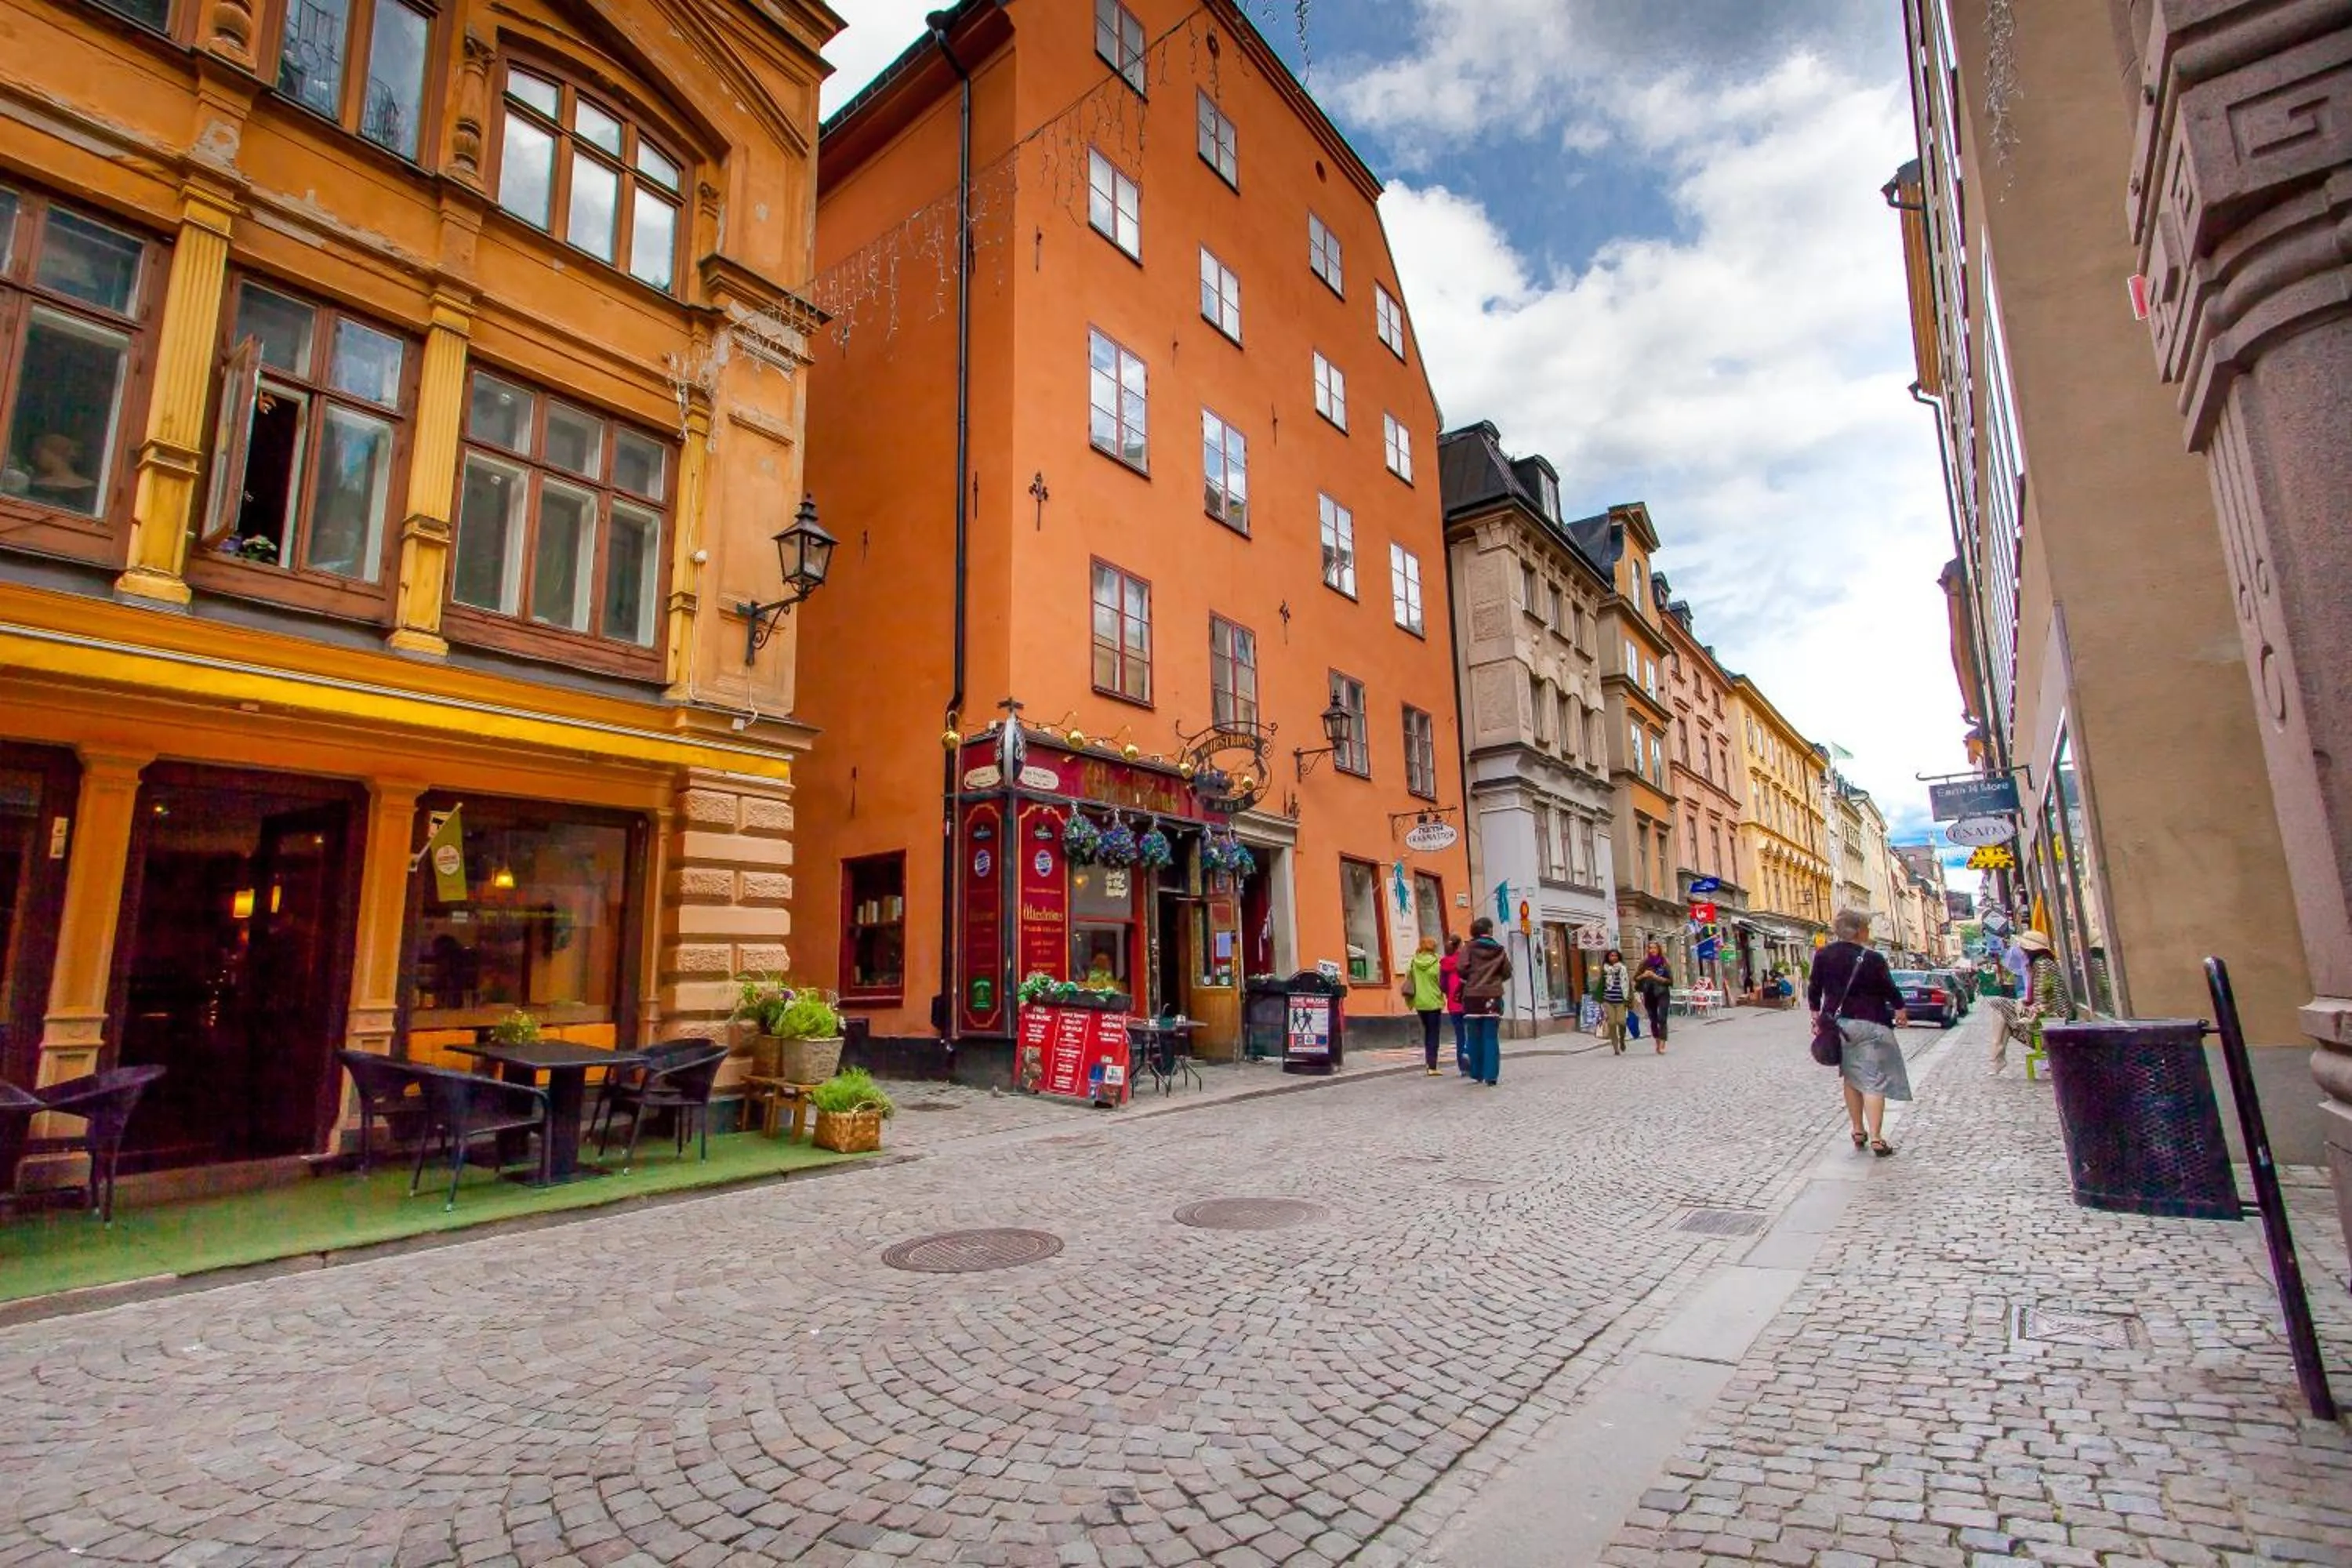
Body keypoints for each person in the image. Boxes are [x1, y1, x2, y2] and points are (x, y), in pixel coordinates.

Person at [1807, 909, 1911, 1156]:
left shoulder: (1823, 955)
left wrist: (1815, 1014)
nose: (1868, 932)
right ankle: (1876, 1137)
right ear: (1859, 931)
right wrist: (1900, 1008)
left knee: (1851, 1076)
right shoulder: (1873, 958)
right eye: (1866, 928)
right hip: (1871, 1022)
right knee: (1873, 1078)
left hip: (1839, 1024)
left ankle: (1857, 1130)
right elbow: (1888, 988)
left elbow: (1814, 987)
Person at [1457, 916, 1512, 1086]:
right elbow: (1507, 972)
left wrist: (1473, 977)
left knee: (1474, 1035)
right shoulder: (1499, 950)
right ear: (1489, 930)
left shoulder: (1468, 947)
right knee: (1490, 1036)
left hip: (1473, 996)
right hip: (1493, 996)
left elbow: (1461, 968)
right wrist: (1494, 979)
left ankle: (1477, 1072)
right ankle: (1491, 1075)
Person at [1405, 935, 1446, 1076]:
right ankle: (1432, 1066)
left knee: (1427, 1031)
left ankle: (1429, 1062)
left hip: (1419, 1002)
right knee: (1433, 1034)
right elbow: (1442, 982)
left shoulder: (1413, 962)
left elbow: (1408, 977)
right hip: (1434, 1002)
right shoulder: (1437, 962)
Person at [1635, 941, 1674, 1051]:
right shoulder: (1644, 963)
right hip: (1649, 993)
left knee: (1662, 1018)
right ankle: (1657, 1039)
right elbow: (1636, 978)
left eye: (1654, 948)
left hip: (1662, 993)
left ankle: (1662, 1043)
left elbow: (1670, 981)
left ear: (1659, 949)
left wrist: (1655, 977)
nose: (1652, 950)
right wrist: (1644, 975)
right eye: (1650, 948)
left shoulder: (1664, 962)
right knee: (1653, 1019)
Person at [1440, 933, 1469, 1077]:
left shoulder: (1445, 963)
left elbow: (1443, 985)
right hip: (1468, 1001)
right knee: (1472, 1033)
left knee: (1460, 1035)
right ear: (1460, 945)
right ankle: (1472, 1062)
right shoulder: (1465, 960)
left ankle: (1463, 1067)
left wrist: (1450, 994)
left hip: (1453, 1002)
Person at [1596, 948, 1632, 1055]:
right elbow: (1601, 984)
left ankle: (1622, 1040)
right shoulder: (1605, 969)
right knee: (1611, 1023)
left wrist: (1630, 998)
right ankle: (1615, 1047)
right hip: (1608, 1000)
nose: (1614, 958)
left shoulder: (1623, 969)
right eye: (1611, 956)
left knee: (1622, 1022)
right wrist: (1600, 1000)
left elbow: (1628, 984)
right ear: (1608, 957)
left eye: (1615, 956)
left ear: (1619, 957)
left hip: (1620, 1000)